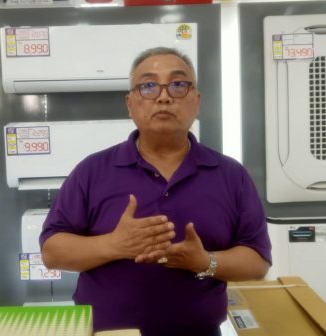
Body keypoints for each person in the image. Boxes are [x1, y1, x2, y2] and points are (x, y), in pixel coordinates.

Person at [40, 47, 272, 336]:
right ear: (130, 103)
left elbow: (257, 261)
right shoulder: (92, 171)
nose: (164, 97)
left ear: (197, 101)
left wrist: (205, 262)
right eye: (148, 86)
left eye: (178, 84)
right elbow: (52, 251)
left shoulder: (230, 175)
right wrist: (114, 244)